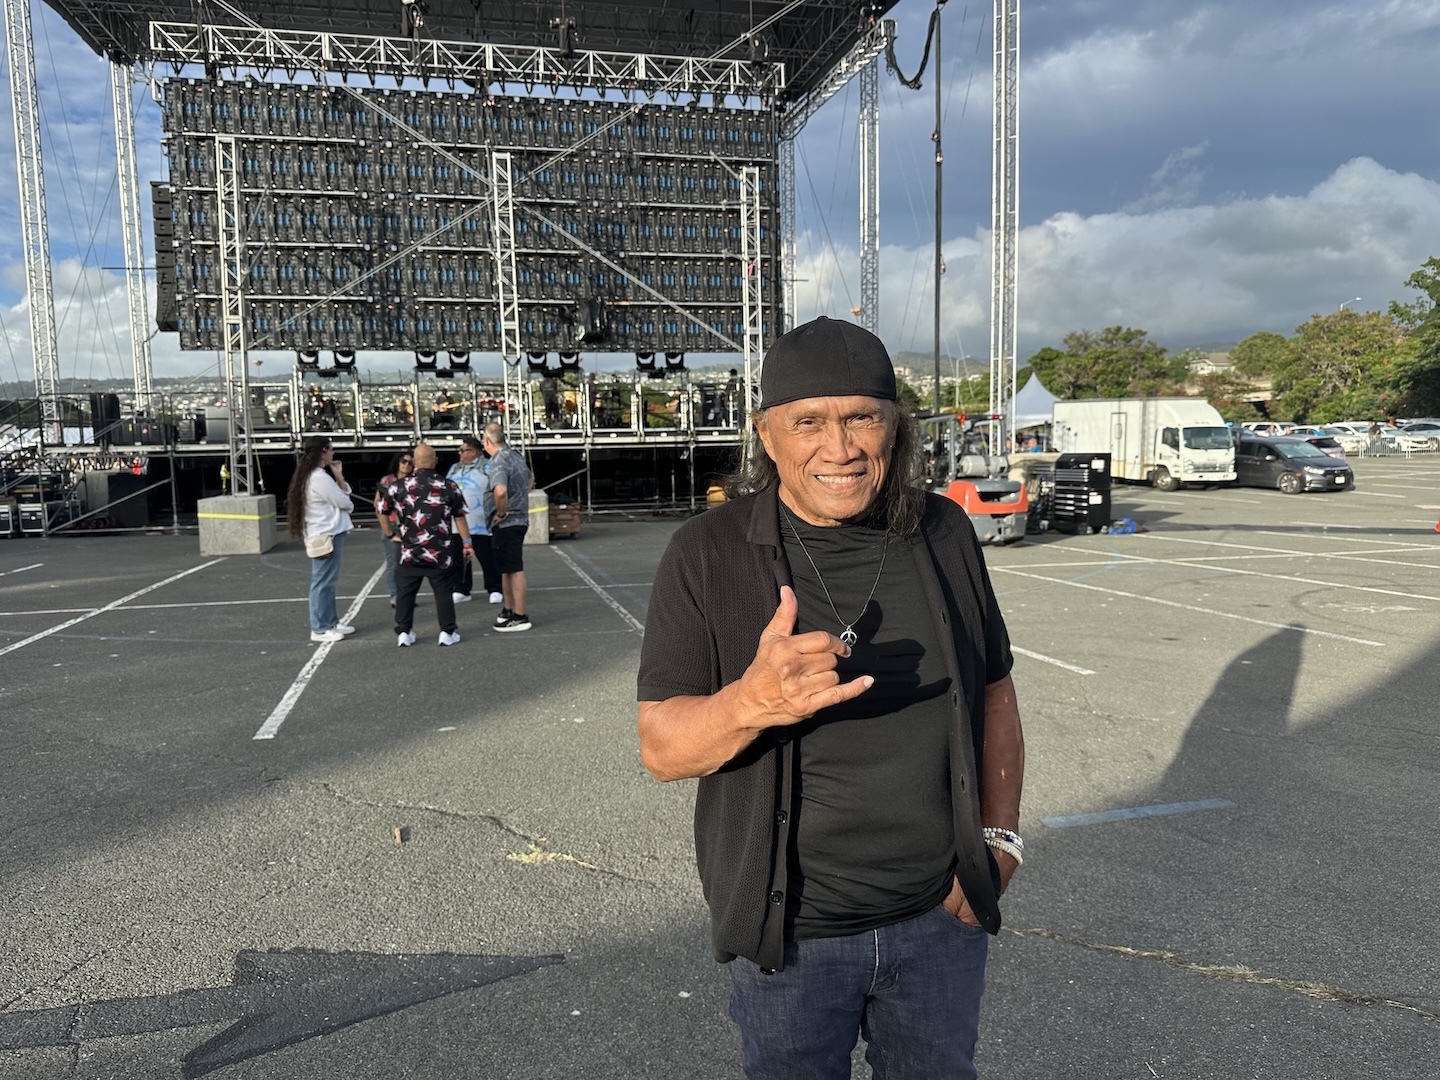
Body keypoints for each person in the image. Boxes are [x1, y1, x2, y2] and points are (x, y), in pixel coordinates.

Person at [636, 316, 1024, 1080]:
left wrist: (1001, 844)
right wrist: (751, 701)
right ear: (767, 434)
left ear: (894, 427)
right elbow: (661, 749)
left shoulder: (943, 531)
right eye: (807, 422)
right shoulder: (705, 554)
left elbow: (996, 693)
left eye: (861, 419)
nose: (839, 448)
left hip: (939, 919)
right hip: (792, 940)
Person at [376, 443, 472, 647]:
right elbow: (460, 517)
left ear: (415, 462)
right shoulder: (448, 485)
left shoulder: (398, 486)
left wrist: (390, 533)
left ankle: (404, 631)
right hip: (440, 552)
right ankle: (447, 632)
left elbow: (381, 509)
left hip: (410, 551)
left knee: (405, 593)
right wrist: (467, 543)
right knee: (443, 592)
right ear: (435, 461)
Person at [286, 436, 356, 643]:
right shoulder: (319, 478)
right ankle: (319, 627)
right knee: (323, 582)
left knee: (327, 582)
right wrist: (340, 483)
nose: (333, 453)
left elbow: (342, 496)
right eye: (331, 450)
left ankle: (330, 622)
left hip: (326, 533)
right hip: (327, 534)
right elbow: (344, 501)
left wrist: (338, 476)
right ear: (323, 451)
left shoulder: (313, 476)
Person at [482, 422, 533, 632]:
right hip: (518, 519)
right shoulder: (515, 456)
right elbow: (530, 480)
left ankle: (520, 615)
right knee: (506, 569)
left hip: (508, 521)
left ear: (487, 441)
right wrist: (520, 496)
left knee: (514, 568)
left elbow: (500, 490)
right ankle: (508, 608)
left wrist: (501, 512)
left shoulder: (499, 460)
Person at [446, 436, 503, 605]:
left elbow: (498, 487)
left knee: (488, 556)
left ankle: (495, 588)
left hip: (482, 522)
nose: (461, 454)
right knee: (459, 557)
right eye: (460, 450)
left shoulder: (488, 466)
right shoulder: (454, 469)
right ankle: (462, 588)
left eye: (464, 450)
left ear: (476, 452)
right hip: (458, 522)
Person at [374, 448, 414, 607]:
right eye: (403, 461)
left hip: (410, 526)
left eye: (410, 463)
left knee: (409, 564)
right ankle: (395, 596)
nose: (406, 465)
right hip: (392, 526)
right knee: (394, 563)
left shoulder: (414, 480)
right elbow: (377, 503)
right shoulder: (388, 480)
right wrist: (386, 528)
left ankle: (406, 595)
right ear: (397, 462)